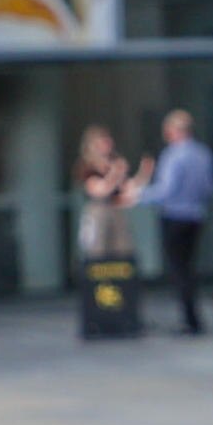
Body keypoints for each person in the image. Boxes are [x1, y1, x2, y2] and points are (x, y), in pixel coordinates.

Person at [141, 109, 213, 337]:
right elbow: (211, 188)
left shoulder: (173, 155)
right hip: (196, 216)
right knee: (189, 267)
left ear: (173, 131)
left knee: (179, 270)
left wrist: (138, 195)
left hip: (175, 215)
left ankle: (190, 320)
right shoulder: (204, 154)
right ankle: (193, 318)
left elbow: (166, 190)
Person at [70, 123, 138, 340]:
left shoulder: (114, 164)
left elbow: (126, 193)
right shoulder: (87, 167)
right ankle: (96, 312)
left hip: (116, 212)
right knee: (98, 258)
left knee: (122, 256)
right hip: (98, 214)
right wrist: (115, 174)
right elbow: (99, 191)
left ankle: (124, 310)